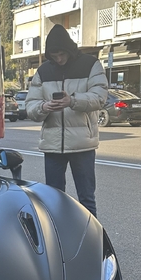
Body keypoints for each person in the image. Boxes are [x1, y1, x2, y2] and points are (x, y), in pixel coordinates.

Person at [25, 24, 108, 217]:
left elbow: (100, 97)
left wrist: (72, 100)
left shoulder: (90, 65)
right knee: (53, 197)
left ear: (69, 49)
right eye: (54, 56)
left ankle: (90, 239)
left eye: (61, 54)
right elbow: (31, 105)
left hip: (82, 145)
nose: (58, 59)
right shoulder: (43, 71)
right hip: (52, 145)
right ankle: (58, 237)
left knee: (86, 197)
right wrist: (43, 107)